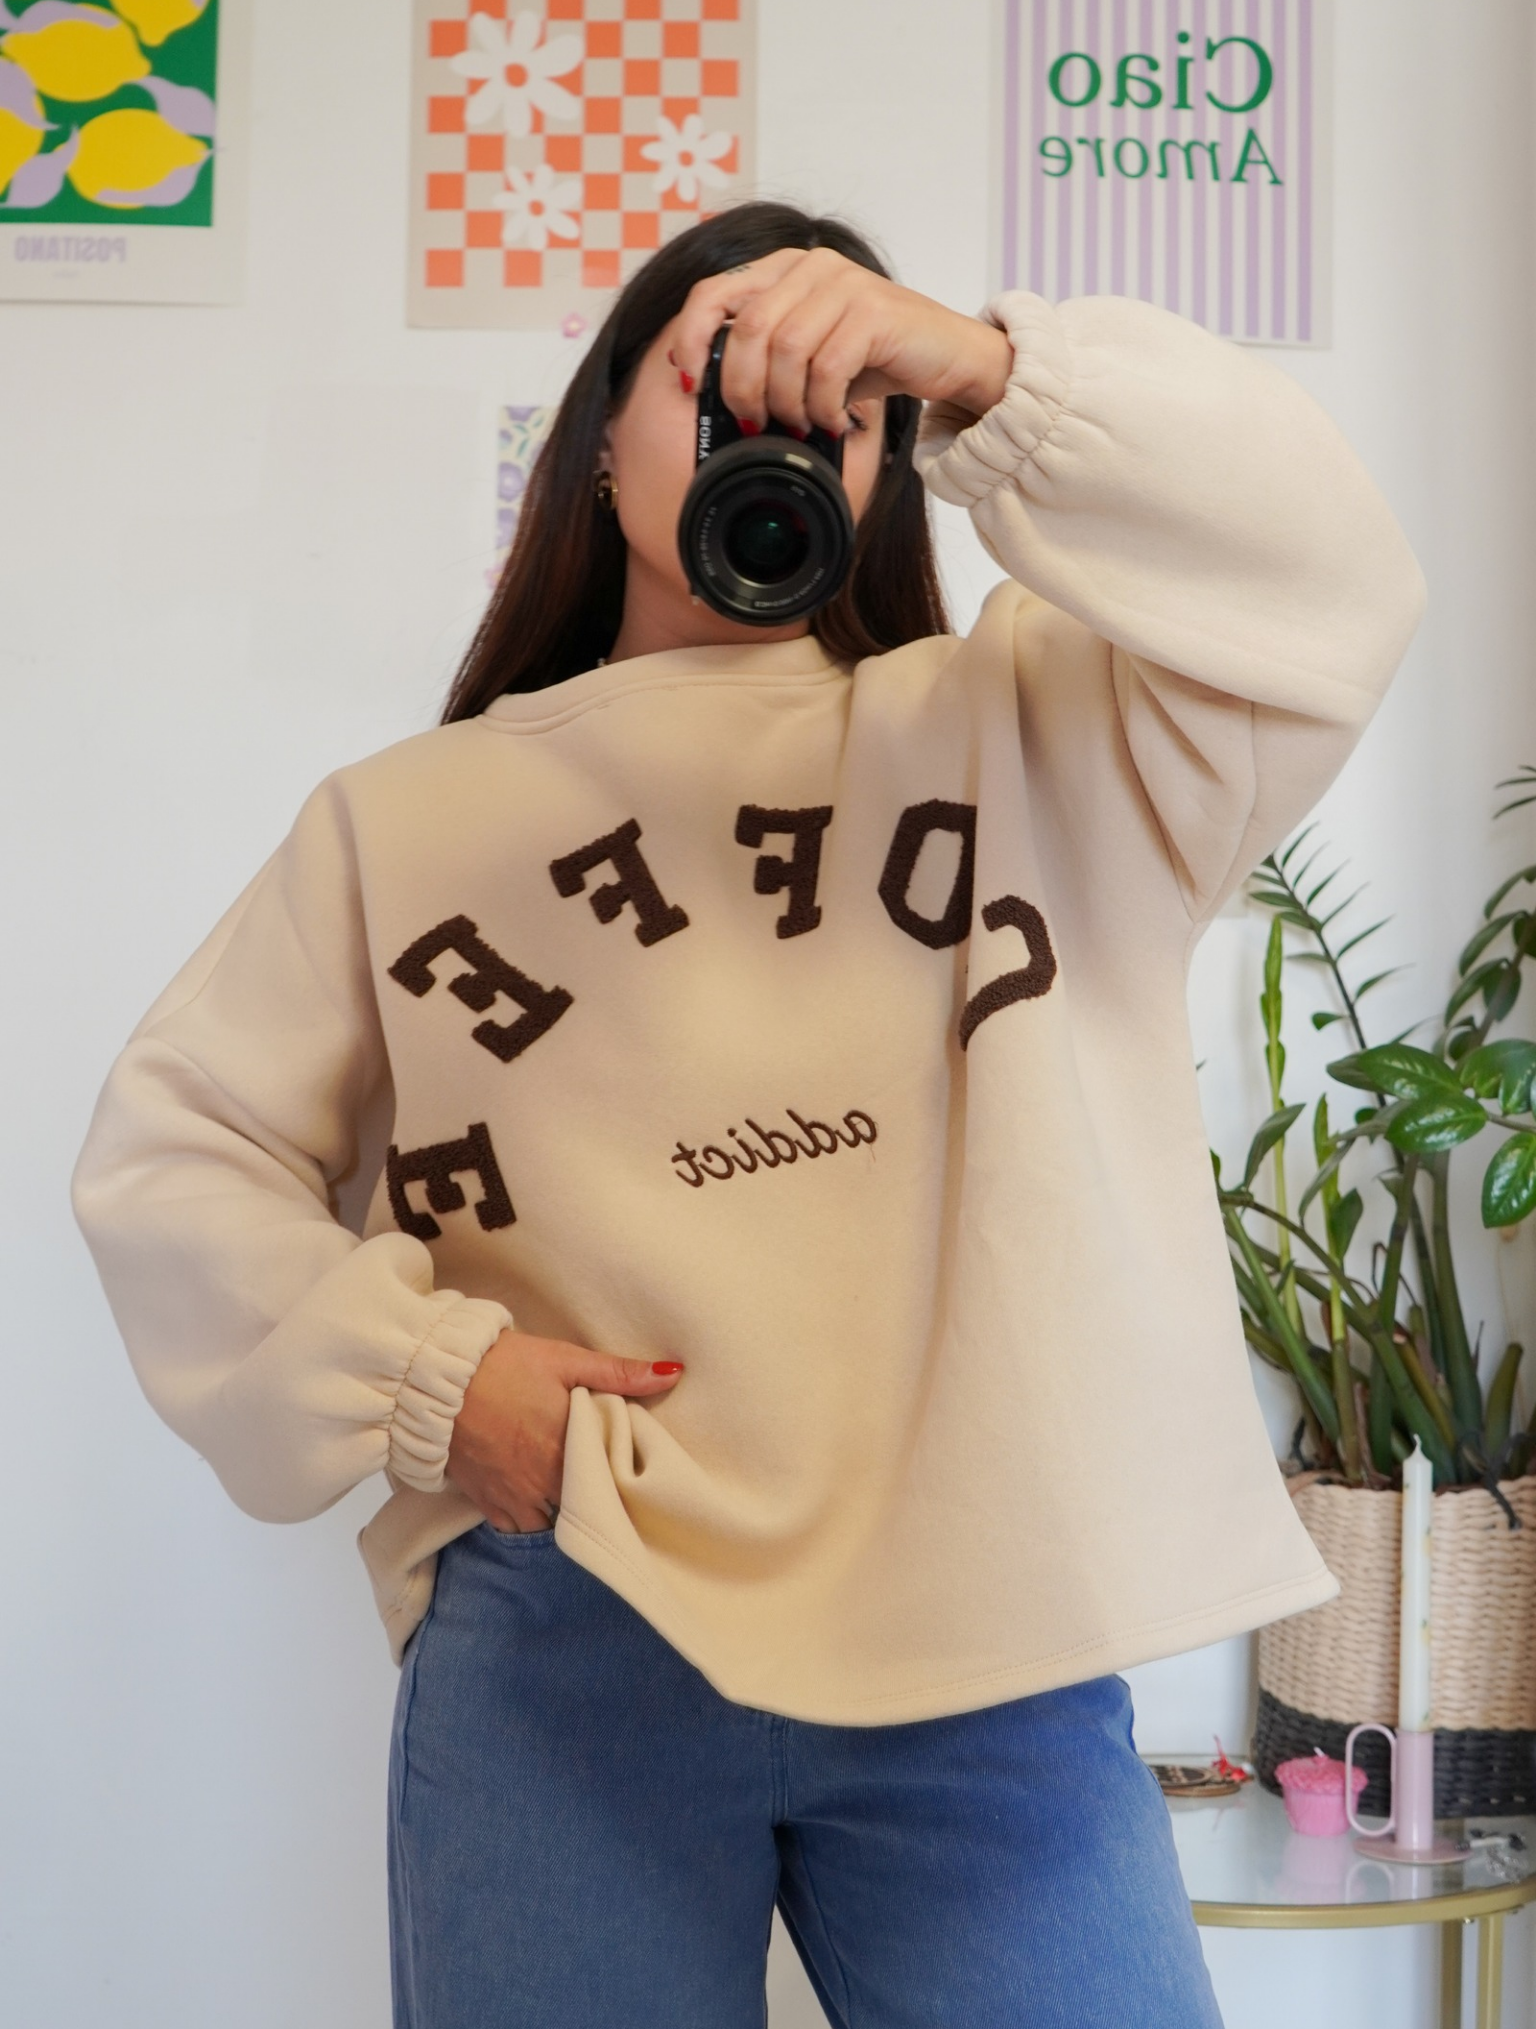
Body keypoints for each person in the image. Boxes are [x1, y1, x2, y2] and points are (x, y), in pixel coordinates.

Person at [72, 198, 1424, 2028]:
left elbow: (1331, 579)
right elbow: (177, 1153)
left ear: (889, 464)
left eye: (838, 405)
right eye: (712, 381)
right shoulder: (404, 817)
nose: (773, 432)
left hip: (991, 1633)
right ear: (599, 439)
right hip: (573, 1621)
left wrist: (987, 374)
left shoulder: (1050, 727)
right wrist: (440, 1383)